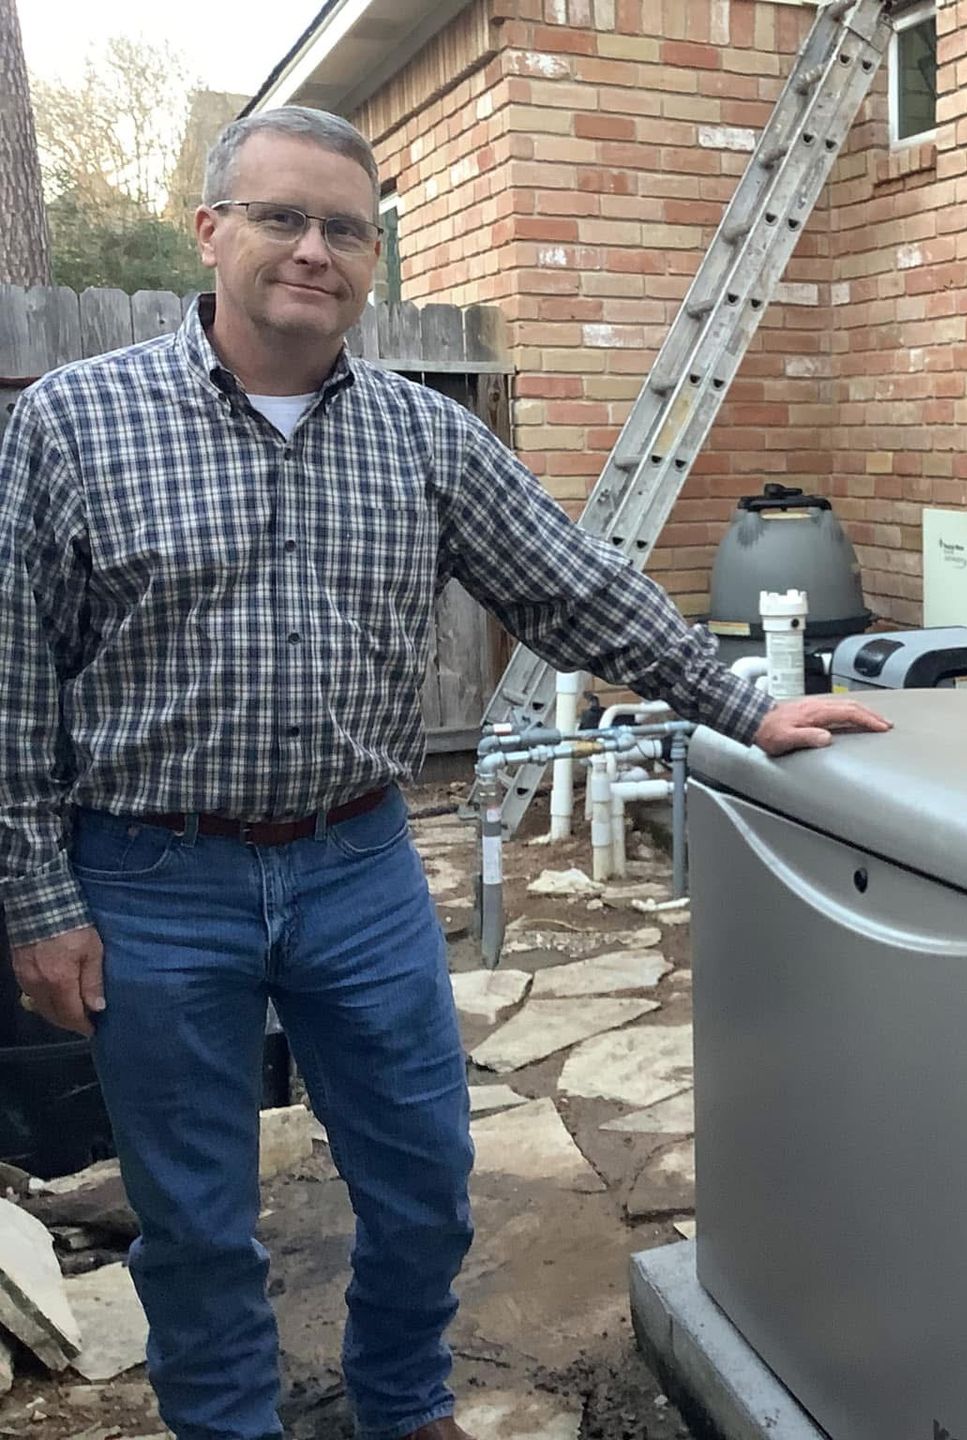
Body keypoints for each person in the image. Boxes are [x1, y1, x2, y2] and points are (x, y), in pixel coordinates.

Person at [0, 106, 888, 1440]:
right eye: (282, 217)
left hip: (357, 864)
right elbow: (11, 676)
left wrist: (743, 706)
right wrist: (37, 898)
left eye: (345, 229)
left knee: (425, 1177)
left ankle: (403, 1402)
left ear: (373, 258)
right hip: (151, 879)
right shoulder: (72, 425)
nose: (314, 249)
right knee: (193, 1219)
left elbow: (573, 587)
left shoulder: (427, 440)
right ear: (212, 232)